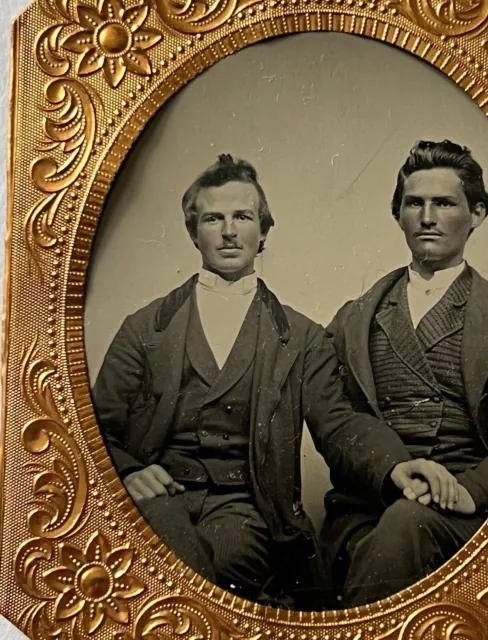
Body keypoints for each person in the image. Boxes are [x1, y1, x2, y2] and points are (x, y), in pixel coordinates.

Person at [91, 154, 419, 609]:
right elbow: (91, 424)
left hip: (246, 509)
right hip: (158, 496)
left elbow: (339, 423)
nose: (229, 232)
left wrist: (393, 466)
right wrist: (126, 470)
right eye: (213, 218)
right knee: (163, 555)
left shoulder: (300, 337)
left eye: (242, 217)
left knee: (210, 571)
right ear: (193, 232)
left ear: (263, 230)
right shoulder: (145, 328)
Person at [322, 140, 488, 607]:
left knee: (410, 524)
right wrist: (392, 470)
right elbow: (334, 419)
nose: (427, 217)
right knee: (397, 526)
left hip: (472, 513)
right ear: (398, 214)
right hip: (372, 505)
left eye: (444, 203)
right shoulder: (354, 320)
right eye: (414, 203)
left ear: (479, 213)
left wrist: (469, 490)